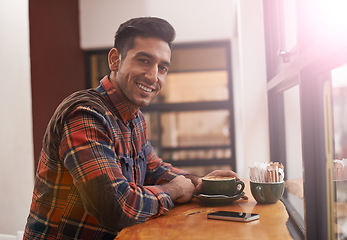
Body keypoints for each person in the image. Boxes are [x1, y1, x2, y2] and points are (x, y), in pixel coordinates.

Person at [24, 17, 240, 239]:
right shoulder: (86, 115)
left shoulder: (135, 118)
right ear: (115, 60)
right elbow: (116, 207)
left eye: (162, 67)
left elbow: (153, 169)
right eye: (144, 60)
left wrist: (200, 183)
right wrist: (174, 191)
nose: (153, 76)